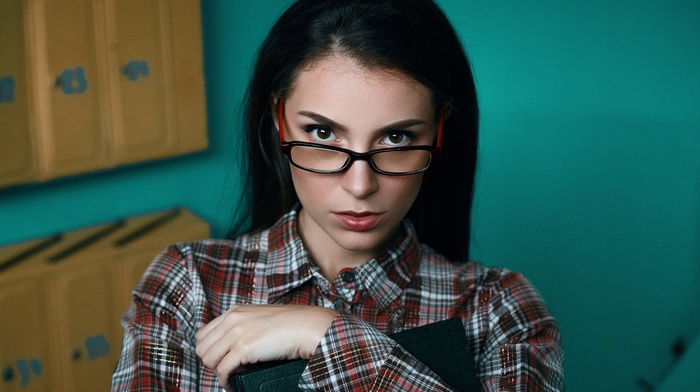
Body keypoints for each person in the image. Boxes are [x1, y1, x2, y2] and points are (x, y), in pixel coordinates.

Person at [111, 0, 565, 391]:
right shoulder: (188, 286)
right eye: (323, 132)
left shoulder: (501, 309)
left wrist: (328, 336)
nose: (360, 185)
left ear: (440, 126)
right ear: (278, 118)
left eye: (397, 138)